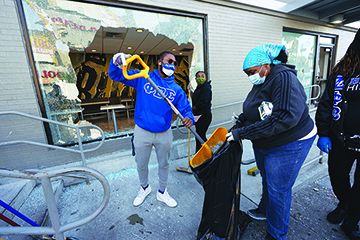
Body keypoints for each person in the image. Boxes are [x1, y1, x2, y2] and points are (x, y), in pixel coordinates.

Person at [226, 44, 316, 240]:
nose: (250, 76)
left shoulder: (284, 78)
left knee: (278, 190)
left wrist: (242, 132)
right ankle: (266, 209)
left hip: (289, 141)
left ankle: (277, 233)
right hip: (268, 140)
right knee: (267, 179)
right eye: (246, 73)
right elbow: (260, 108)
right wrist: (243, 118)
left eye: (251, 72)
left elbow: (283, 118)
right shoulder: (263, 80)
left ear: (265, 65)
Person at [108, 51, 194, 208]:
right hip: (142, 131)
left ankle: (162, 192)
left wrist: (189, 118)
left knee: (164, 164)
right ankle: (144, 188)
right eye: (170, 61)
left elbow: (186, 109)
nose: (173, 65)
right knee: (141, 163)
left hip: (164, 133)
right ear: (160, 62)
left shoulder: (176, 89)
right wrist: (115, 61)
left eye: (175, 63)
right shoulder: (143, 77)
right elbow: (115, 75)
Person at [315, 28, 360, 240]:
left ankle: (351, 220)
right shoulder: (343, 69)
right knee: (337, 176)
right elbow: (326, 103)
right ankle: (345, 203)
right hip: (341, 139)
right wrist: (323, 133)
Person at [189, 71, 212, 153]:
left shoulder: (206, 88)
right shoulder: (198, 89)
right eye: (198, 76)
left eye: (202, 76)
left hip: (204, 116)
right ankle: (200, 154)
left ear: (205, 78)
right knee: (198, 136)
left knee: (200, 137)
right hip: (198, 115)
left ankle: (207, 153)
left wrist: (191, 109)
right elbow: (195, 99)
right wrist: (191, 91)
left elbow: (202, 102)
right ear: (195, 79)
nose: (200, 78)